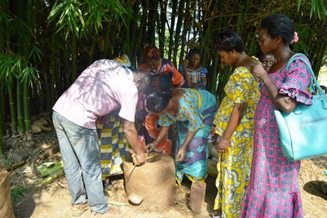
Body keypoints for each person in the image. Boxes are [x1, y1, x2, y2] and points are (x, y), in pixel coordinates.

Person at [52, 59, 149, 217]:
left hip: (60, 112)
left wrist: (100, 112)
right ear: (137, 81)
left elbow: (95, 90)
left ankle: (78, 203)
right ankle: (99, 207)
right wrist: (138, 152)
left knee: (71, 164)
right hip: (80, 121)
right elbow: (129, 129)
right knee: (91, 167)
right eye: (140, 89)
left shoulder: (106, 64)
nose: (138, 92)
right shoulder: (130, 88)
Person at [240, 13, 312, 218]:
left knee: (276, 188)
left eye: (263, 39)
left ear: (277, 40)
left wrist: (264, 77)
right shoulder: (275, 63)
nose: (260, 43)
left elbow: (287, 104)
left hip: (280, 147)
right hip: (265, 143)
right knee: (261, 185)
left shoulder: (299, 63)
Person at [211, 29, 260, 218]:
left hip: (236, 134)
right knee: (240, 173)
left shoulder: (241, 72)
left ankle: (230, 214)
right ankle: (231, 211)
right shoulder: (254, 62)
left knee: (233, 174)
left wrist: (225, 138)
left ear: (232, 51)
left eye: (222, 56)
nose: (222, 61)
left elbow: (238, 108)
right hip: (247, 132)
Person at [145, 88, 217, 185]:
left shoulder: (185, 104)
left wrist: (184, 147)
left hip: (206, 109)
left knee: (195, 145)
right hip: (190, 114)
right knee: (182, 141)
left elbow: (195, 124)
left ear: (166, 108)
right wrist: (154, 143)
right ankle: (183, 174)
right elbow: (165, 123)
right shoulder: (164, 102)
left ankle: (197, 179)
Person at [137, 45, 185, 155]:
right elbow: (139, 91)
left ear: (159, 59)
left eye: (154, 63)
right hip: (148, 105)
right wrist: (139, 110)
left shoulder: (167, 65)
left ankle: (163, 157)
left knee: (165, 126)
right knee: (147, 127)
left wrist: (178, 100)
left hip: (165, 103)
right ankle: (144, 154)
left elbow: (179, 82)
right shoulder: (142, 68)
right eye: (150, 65)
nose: (153, 66)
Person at [96, 54, 133, 190]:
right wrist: (102, 113)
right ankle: (104, 178)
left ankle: (115, 171)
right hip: (104, 119)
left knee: (117, 144)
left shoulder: (124, 80)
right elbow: (96, 98)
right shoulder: (103, 80)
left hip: (117, 117)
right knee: (105, 146)